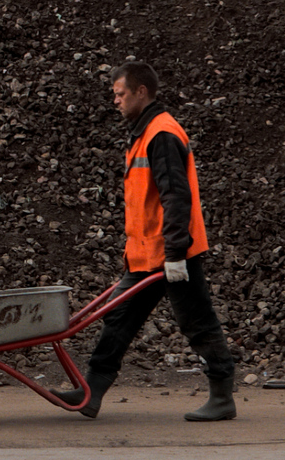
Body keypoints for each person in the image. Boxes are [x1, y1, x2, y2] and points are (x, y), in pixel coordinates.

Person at [80, 62, 240, 422]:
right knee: (119, 319)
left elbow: (176, 197)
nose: (116, 101)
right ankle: (90, 392)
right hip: (145, 254)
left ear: (141, 92)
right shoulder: (144, 132)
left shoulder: (161, 134)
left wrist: (176, 254)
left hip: (173, 253)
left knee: (197, 322)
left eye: (120, 94)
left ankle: (222, 397)